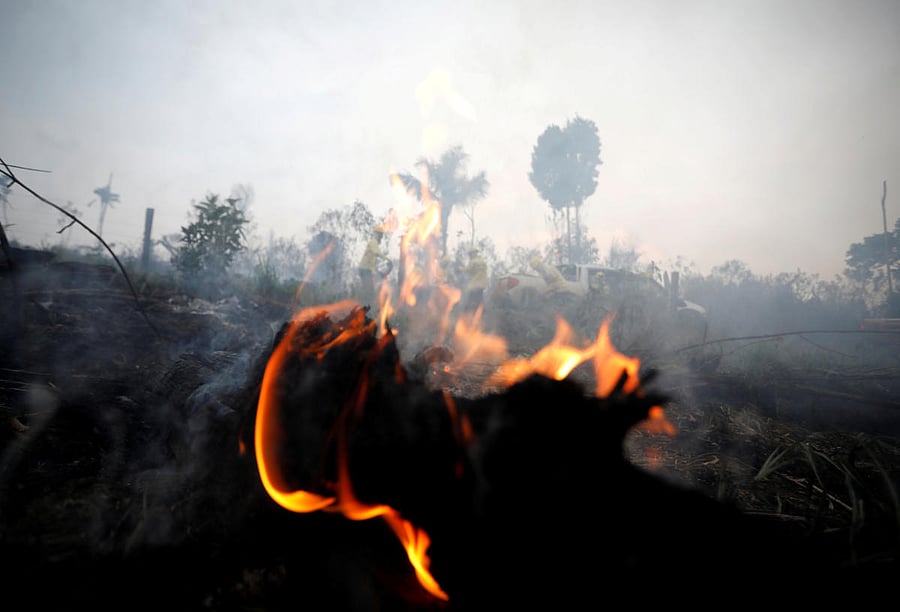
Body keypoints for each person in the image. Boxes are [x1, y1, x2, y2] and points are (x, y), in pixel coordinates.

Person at [357, 225, 391, 308]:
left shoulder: (375, 244)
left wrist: (378, 272)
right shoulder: (373, 242)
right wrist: (387, 259)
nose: (380, 237)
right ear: (375, 234)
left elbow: (373, 262)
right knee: (369, 290)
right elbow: (377, 252)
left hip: (366, 270)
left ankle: (366, 306)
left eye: (381, 235)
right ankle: (364, 307)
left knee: (369, 289)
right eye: (379, 234)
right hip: (364, 269)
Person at [461, 246, 488, 314]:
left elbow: (467, 270)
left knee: (470, 301)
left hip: (474, 285)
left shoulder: (473, 262)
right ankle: (482, 312)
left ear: (473, 253)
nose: (469, 256)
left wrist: (460, 268)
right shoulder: (483, 262)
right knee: (480, 300)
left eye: (470, 254)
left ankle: (467, 313)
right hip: (482, 285)